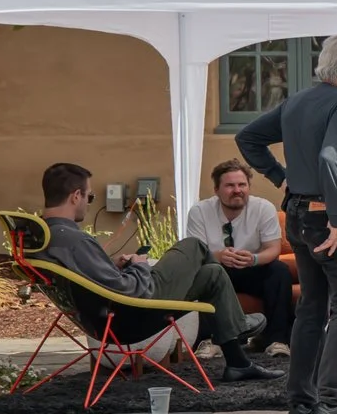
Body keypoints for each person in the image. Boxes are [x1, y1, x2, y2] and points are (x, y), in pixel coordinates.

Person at [237, 34, 337, 414]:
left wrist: (282, 179)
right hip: (332, 221)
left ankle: (300, 405)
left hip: (298, 216)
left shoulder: (297, 101)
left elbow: (247, 138)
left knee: (313, 309)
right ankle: (335, 402)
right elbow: (331, 157)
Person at [33, 162, 279, 383]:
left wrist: (114, 266)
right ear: (76, 196)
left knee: (213, 274)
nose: (89, 203)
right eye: (90, 196)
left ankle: (238, 364)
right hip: (134, 311)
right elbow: (129, 288)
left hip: (107, 315)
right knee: (192, 246)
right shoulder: (75, 240)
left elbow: (97, 281)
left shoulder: (47, 238)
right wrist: (139, 264)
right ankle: (237, 324)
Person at [184, 159, 295, 351]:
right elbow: (195, 253)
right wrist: (217, 256)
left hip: (252, 267)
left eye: (242, 185)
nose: (237, 190)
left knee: (279, 271)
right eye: (230, 185)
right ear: (216, 190)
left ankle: (277, 341)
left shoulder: (263, 208)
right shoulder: (199, 211)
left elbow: (273, 249)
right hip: (217, 269)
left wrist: (254, 259)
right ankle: (210, 340)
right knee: (207, 273)